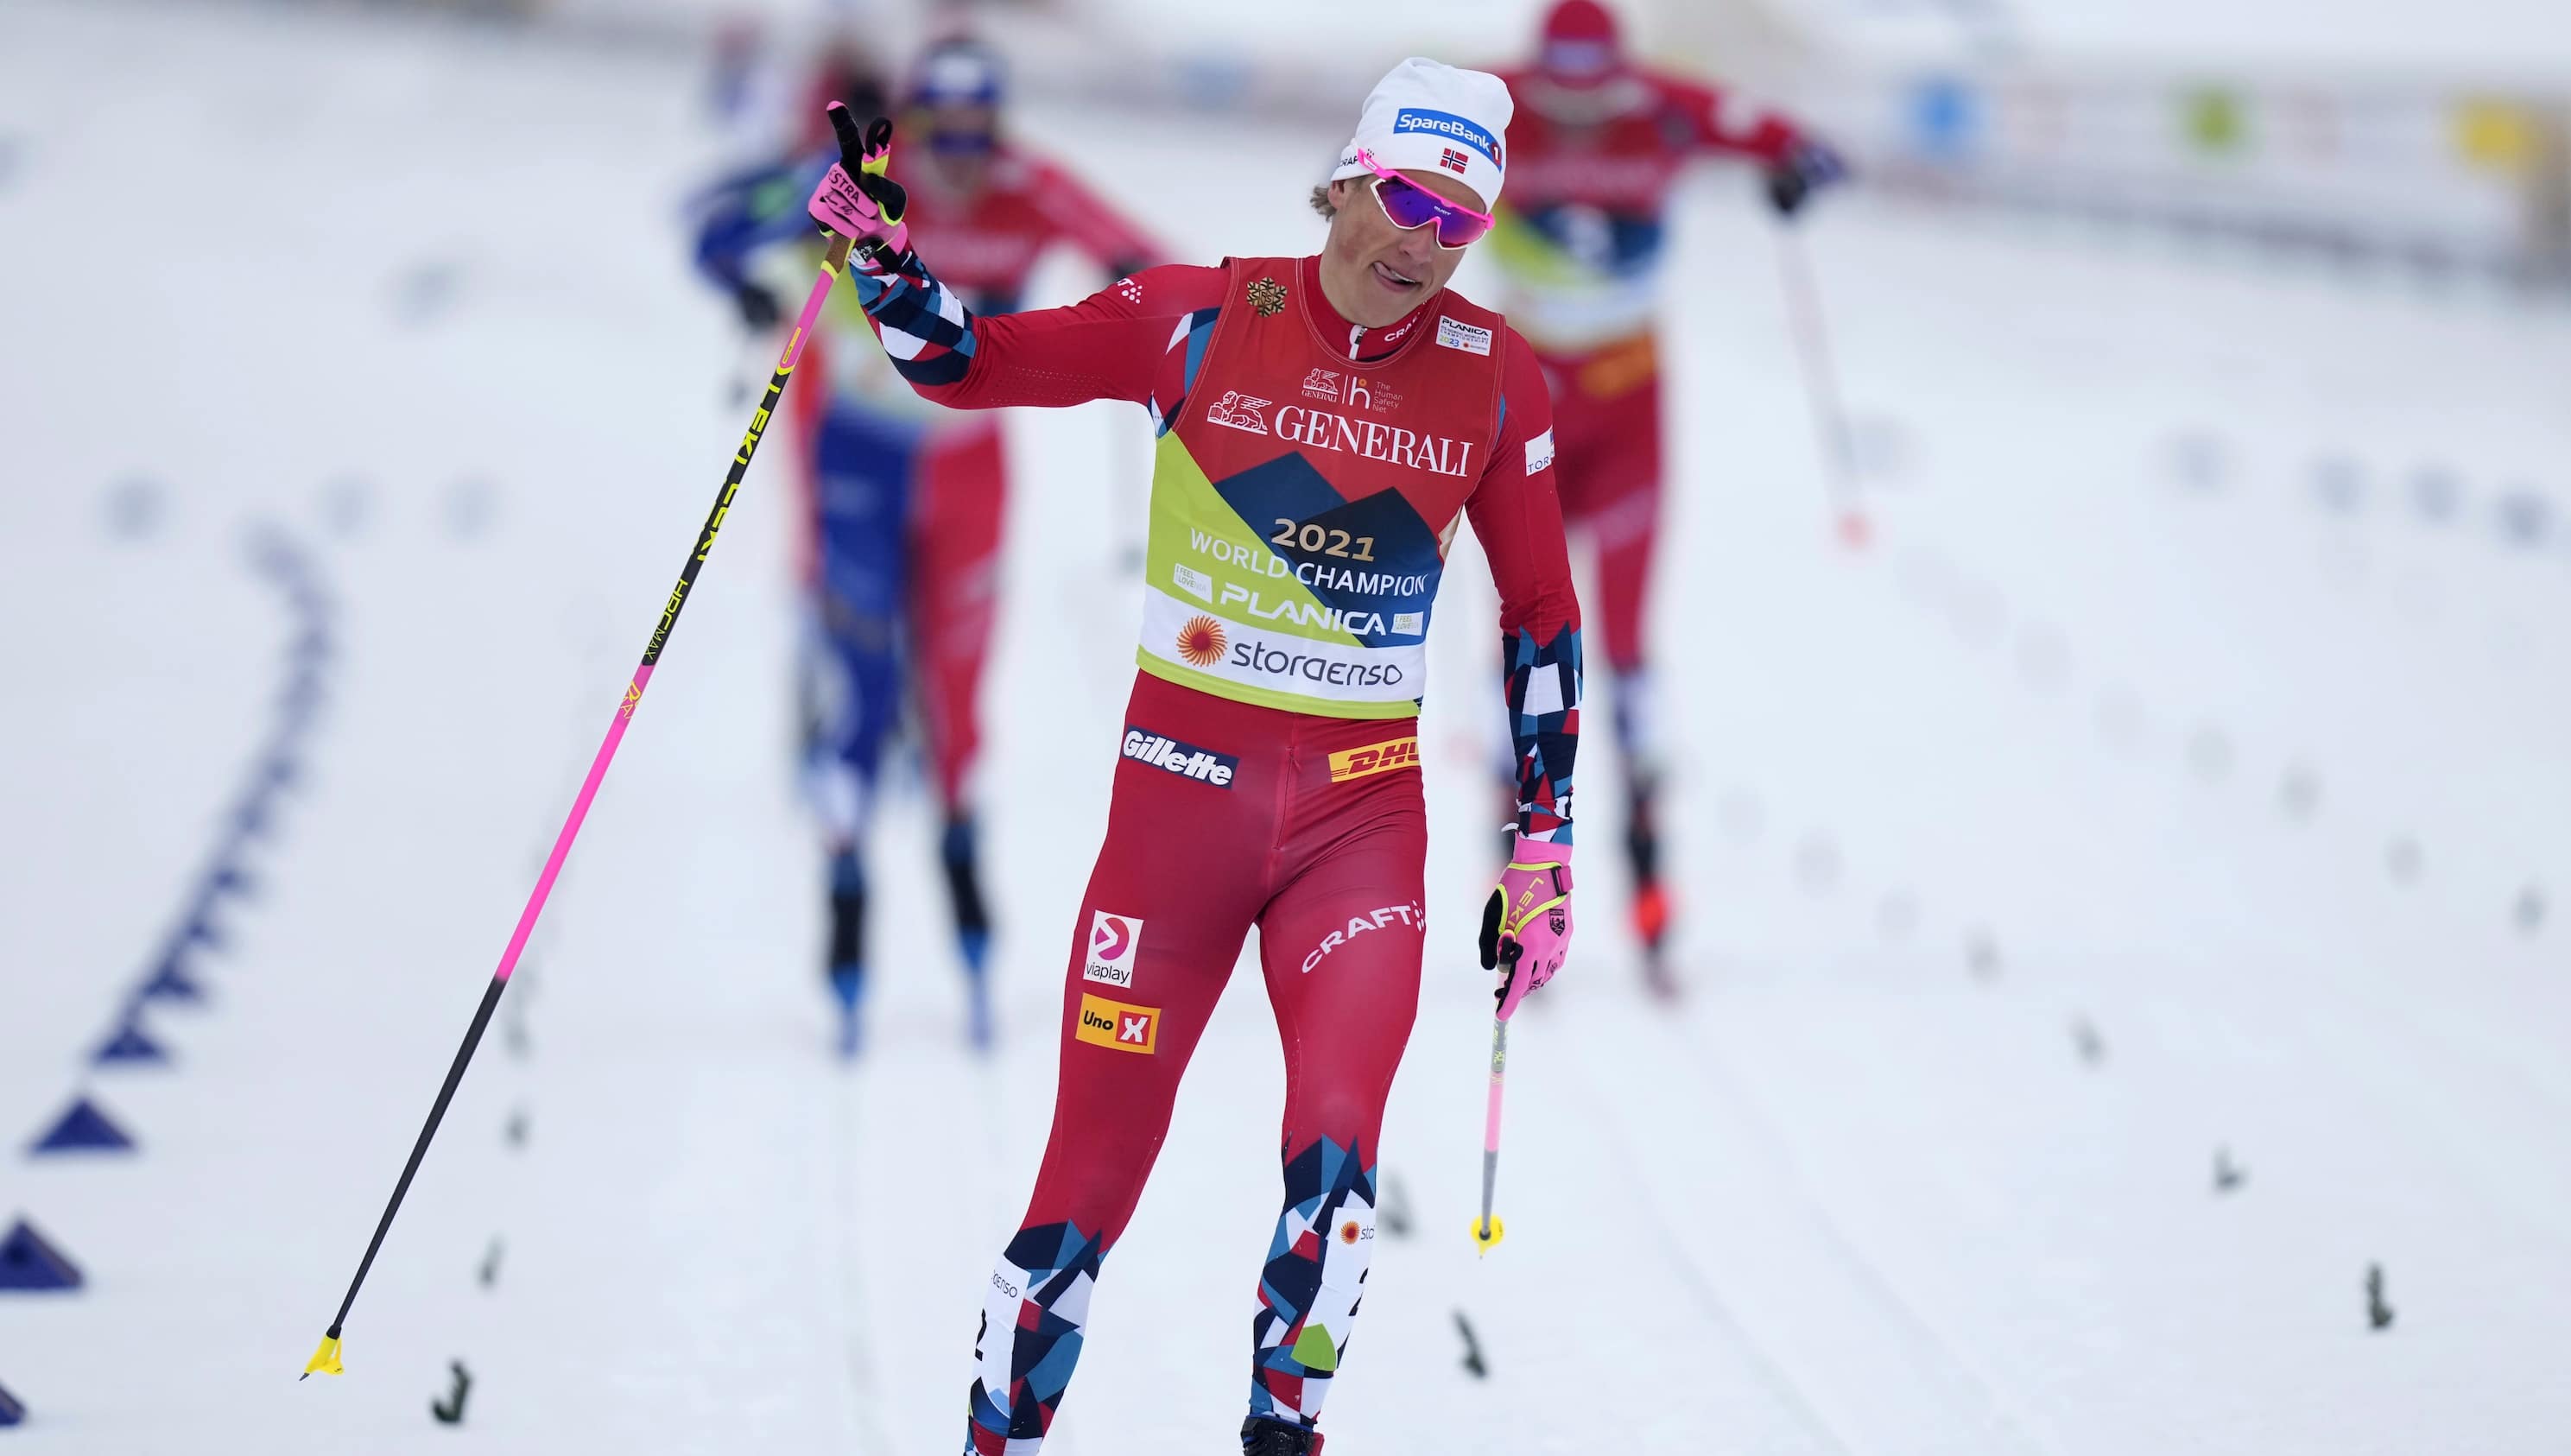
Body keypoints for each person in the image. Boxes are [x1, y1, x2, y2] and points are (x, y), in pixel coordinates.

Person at [807, 57, 1583, 1455]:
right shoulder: (1197, 318)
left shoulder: (1495, 379)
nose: (1422, 239)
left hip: (1359, 831)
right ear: (1348, 178)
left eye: (1458, 220)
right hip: (1177, 818)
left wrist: (1546, 844)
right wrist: (886, 258)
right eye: (1406, 194)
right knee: (1080, 1194)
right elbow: (965, 363)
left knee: (1336, 1172)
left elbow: (1539, 617)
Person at [691, 39, 1165, 1057]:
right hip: (855, 457)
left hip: (968, 464)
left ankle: (960, 853)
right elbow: (717, 232)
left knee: (956, 692)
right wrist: (752, 283)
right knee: (862, 685)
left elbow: (1147, 259)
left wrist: (1138, 303)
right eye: (940, 135)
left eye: (978, 136)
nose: (958, 158)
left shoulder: (1027, 185)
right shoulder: (861, 181)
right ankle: (847, 879)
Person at [1490, 0, 1840, 993]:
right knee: (1528, 641)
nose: (1579, 118)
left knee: (1631, 644)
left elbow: (1787, 137)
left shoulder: (1667, 108)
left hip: (1630, 398)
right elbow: (1380, 151)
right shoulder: (1494, 106)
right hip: (1523, 400)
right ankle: (1518, 878)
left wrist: (1796, 169)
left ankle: (1649, 889)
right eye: (1562, 99)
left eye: (1597, 100)